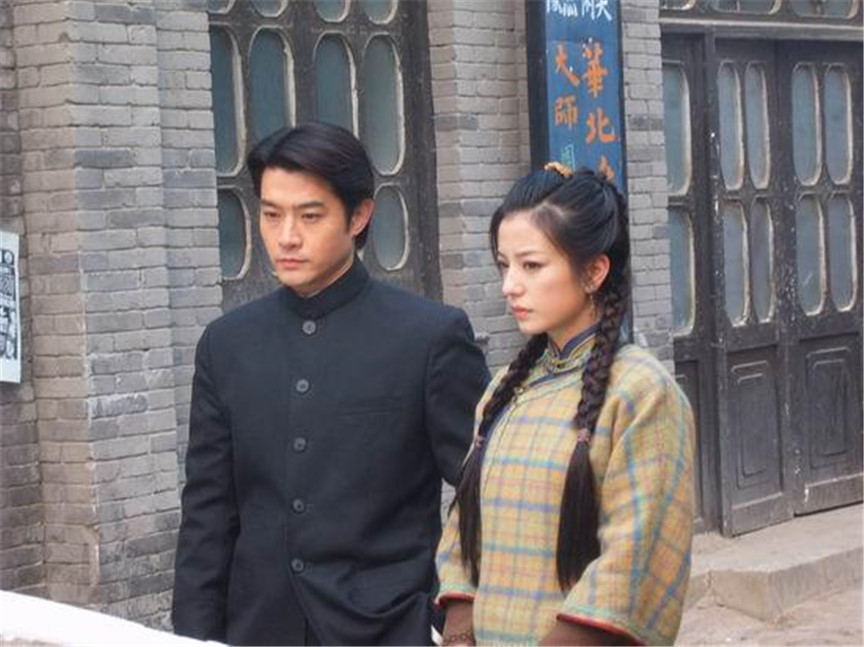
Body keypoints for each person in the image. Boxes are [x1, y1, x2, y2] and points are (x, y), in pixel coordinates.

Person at [173, 122, 490, 646]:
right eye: (271, 214)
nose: (286, 236)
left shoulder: (429, 337)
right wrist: (192, 639)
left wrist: (448, 607)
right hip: (258, 630)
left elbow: (488, 490)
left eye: (310, 215)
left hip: (389, 629)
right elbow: (207, 516)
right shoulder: (227, 345)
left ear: (358, 215)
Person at [436, 164, 695, 646]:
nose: (510, 285)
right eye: (504, 265)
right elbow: (462, 529)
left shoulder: (641, 393)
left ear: (594, 271)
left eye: (531, 266)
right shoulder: (502, 391)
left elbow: (634, 559)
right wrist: (459, 626)